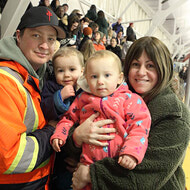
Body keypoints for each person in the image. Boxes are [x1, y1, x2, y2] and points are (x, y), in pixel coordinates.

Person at [66, 36, 190, 190]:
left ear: (163, 69)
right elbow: (72, 122)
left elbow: (146, 175)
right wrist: (76, 138)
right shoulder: (113, 93)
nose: (141, 72)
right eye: (135, 64)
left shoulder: (174, 114)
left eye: (150, 66)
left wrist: (90, 173)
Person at [51, 50, 151, 189]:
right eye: (94, 76)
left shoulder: (130, 100)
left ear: (119, 78)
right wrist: (60, 133)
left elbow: (140, 127)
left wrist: (132, 152)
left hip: (117, 165)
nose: (100, 82)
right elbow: (68, 118)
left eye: (107, 75)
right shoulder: (82, 100)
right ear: (86, 78)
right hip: (86, 167)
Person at [0, 6, 66, 190]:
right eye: (36, 36)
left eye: (51, 39)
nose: (44, 45)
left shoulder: (37, 77)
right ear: (19, 36)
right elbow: (10, 157)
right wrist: (51, 131)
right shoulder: (5, 82)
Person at [41, 46, 84, 121]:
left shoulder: (85, 87)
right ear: (55, 72)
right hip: (60, 125)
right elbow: (45, 109)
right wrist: (60, 96)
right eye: (61, 71)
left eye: (72, 69)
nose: (66, 75)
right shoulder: (51, 86)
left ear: (81, 71)